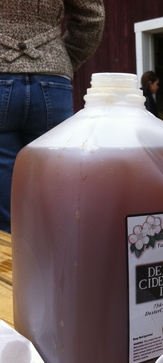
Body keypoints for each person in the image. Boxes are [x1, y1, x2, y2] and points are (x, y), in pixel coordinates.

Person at [0, 0, 105, 233]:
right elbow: (92, 16)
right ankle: (61, 257)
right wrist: (61, 60)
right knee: (57, 171)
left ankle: (10, 260)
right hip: (52, 78)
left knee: (3, 175)